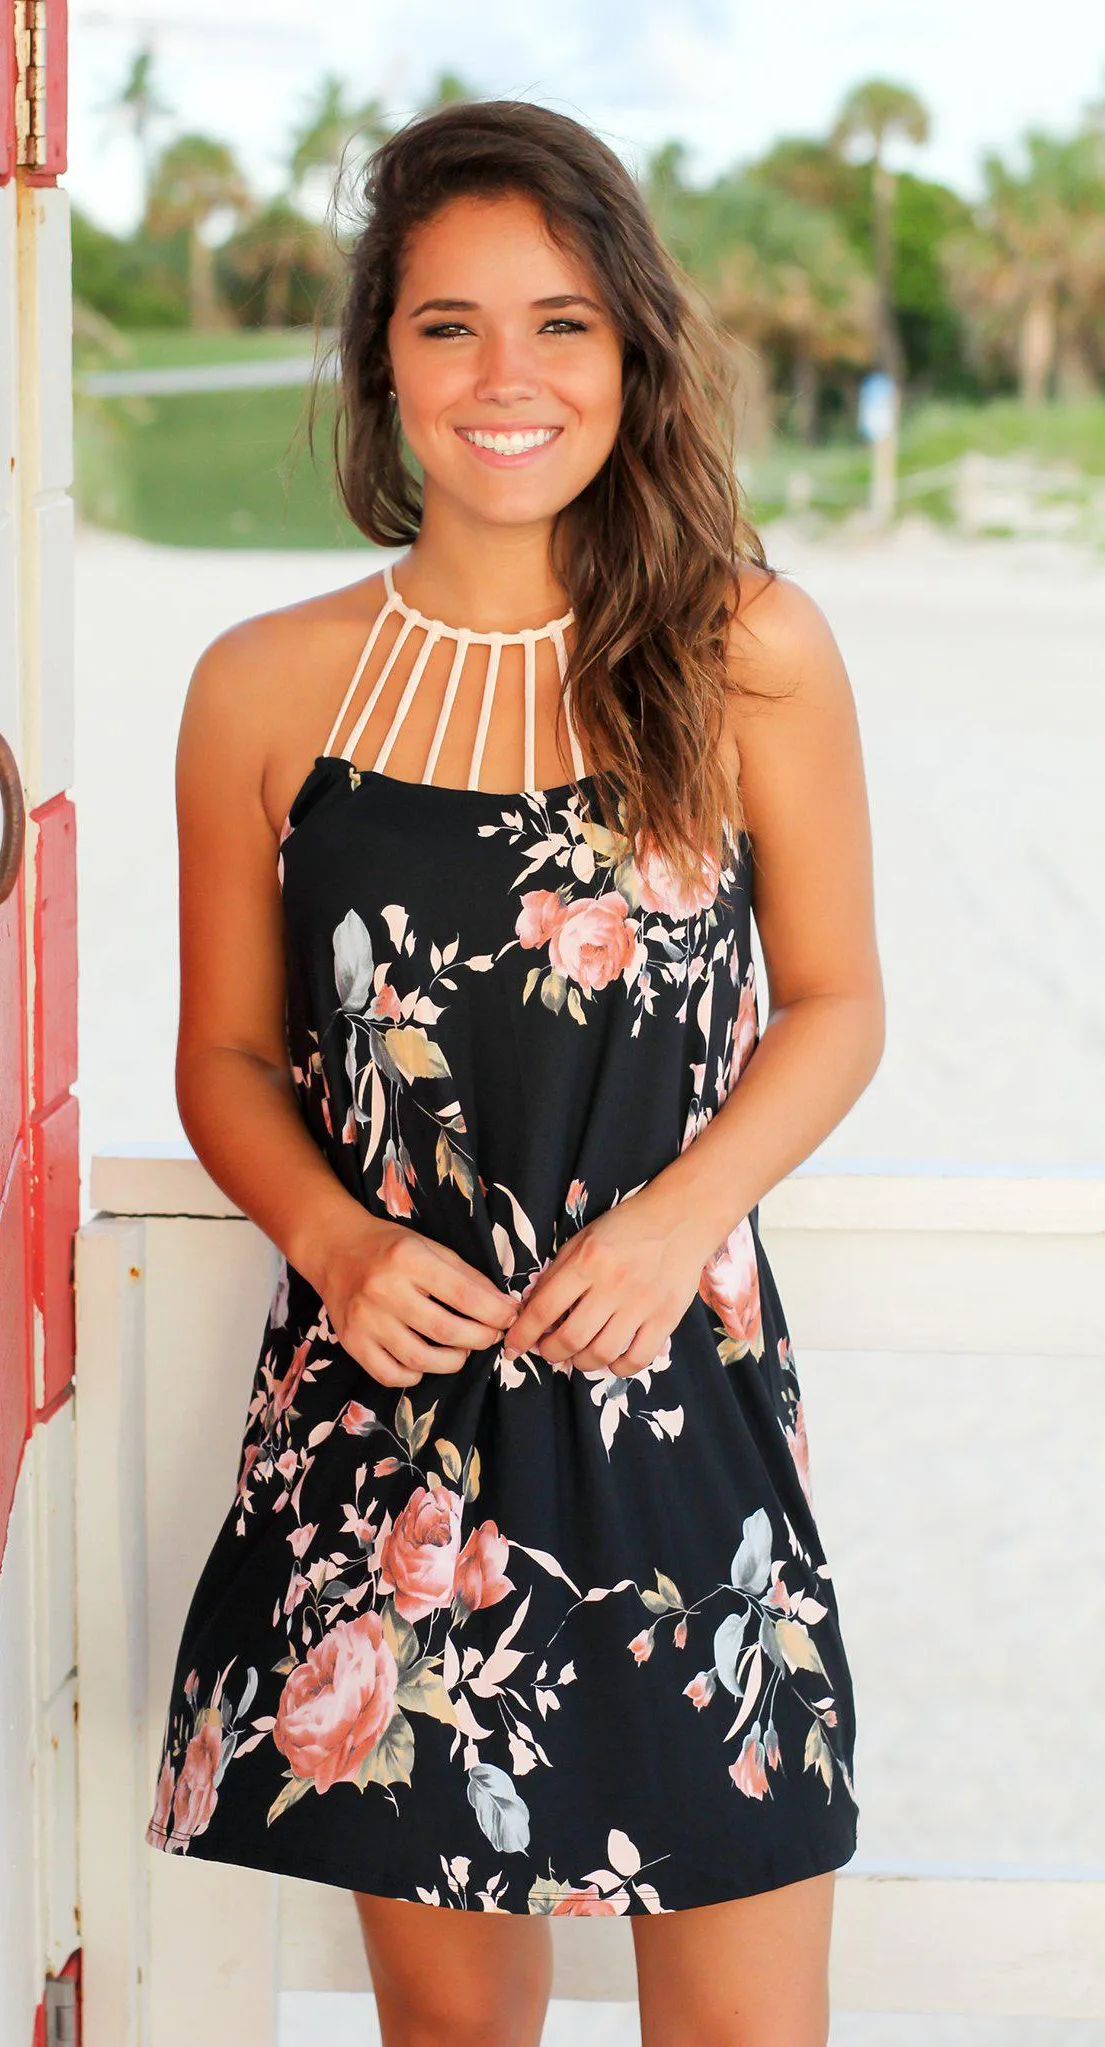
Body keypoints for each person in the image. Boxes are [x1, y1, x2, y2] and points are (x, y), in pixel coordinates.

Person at [144, 98, 884, 2047]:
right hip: (394, 1419)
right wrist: (331, 1239)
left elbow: (836, 1004)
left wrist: (679, 1218)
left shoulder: (748, 653)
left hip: (674, 1398)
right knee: (456, 2034)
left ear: (629, 353)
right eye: (448, 323)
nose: (506, 376)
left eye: (560, 323)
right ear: (379, 356)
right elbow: (223, 1054)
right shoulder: (260, 686)